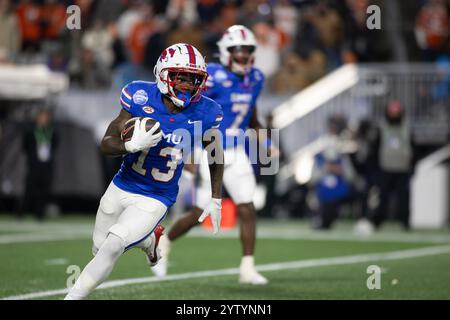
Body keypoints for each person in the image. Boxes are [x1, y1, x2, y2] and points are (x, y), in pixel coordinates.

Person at [64, 43, 224, 300]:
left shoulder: (207, 111)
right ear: (163, 74)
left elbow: (215, 153)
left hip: (157, 196)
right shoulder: (139, 95)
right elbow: (106, 143)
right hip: (122, 185)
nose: (186, 85)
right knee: (99, 248)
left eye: (193, 79)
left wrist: (216, 197)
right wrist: (129, 145)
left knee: (114, 245)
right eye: (179, 77)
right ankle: (149, 241)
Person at [150, 25, 278, 285]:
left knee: (247, 207)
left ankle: (247, 267)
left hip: (236, 150)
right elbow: (187, 109)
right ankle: (164, 242)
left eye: (247, 50)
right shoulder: (212, 77)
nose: (242, 55)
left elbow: (251, 114)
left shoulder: (255, 78)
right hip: (208, 150)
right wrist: (186, 150)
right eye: (237, 50)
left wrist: (265, 140)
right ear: (225, 51)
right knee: (201, 212)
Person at [20, 108, 58, 221]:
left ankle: (39, 214)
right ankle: (21, 213)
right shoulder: (31, 131)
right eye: (41, 117)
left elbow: (55, 144)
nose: (43, 120)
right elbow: (25, 146)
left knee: (44, 190)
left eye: (45, 117)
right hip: (34, 165)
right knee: (29, 189)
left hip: (46, 165)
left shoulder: (51, 132)